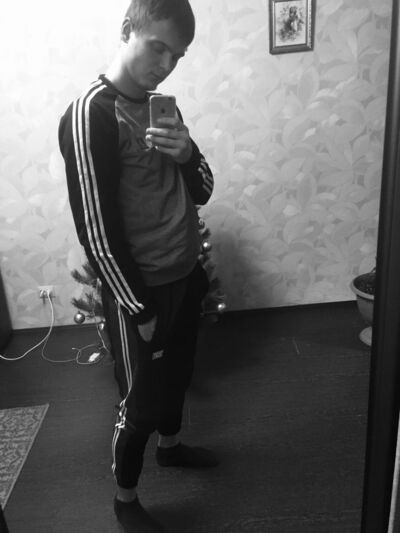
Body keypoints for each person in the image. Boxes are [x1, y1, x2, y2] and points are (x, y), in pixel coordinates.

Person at [58, 1, 216, 531]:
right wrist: (137, 306)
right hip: (140, 290)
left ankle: (170, 449)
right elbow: (96, 231)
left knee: (179, 375)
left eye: (178, 56)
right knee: (140, 402)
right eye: (158, 48)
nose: (167, 65)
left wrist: (187, 154)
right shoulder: (90, 114)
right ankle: (125, 500)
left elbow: (204, 189)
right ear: (128, 29)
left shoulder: (161, 107)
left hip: (185, 273)